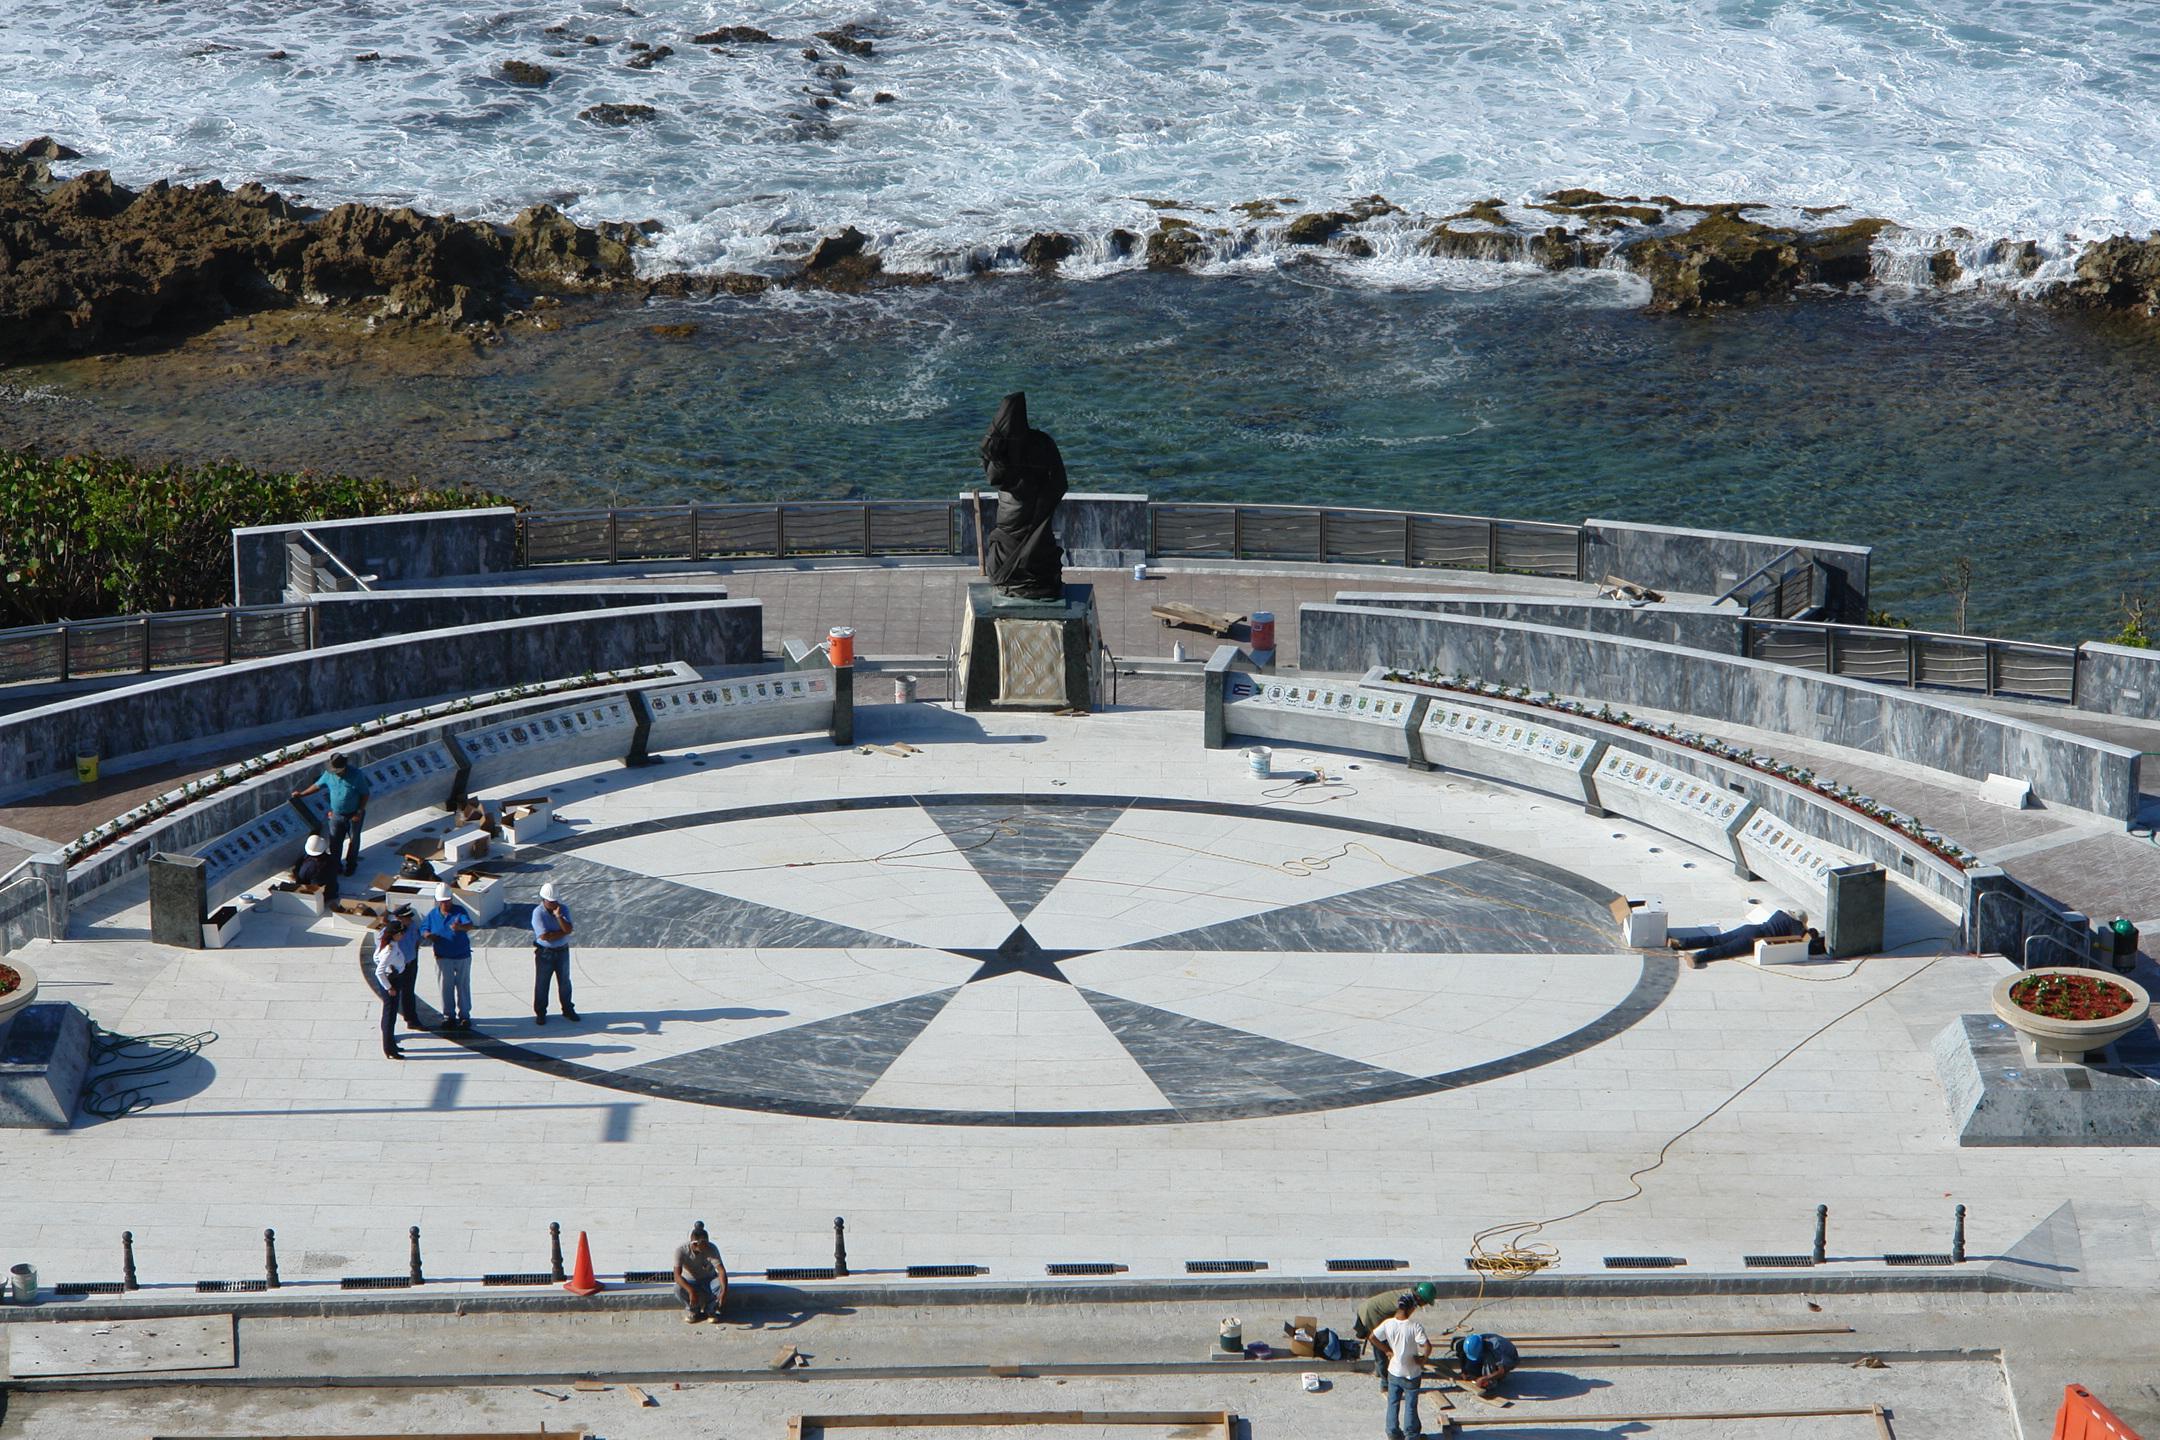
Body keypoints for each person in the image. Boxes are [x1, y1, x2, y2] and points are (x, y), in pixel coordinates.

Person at [292, 752, 371, 878]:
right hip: (336, 815)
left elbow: (365, 794)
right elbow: (318, 785)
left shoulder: (356, 775)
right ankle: (336, 866)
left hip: (354, 815)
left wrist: (359, 811)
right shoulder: (329, 774)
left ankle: (351, 865)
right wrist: (302, 794)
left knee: (354, 841)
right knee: (335, 842)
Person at [1368, 1293, 1432, 1440]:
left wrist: (1387, 1351)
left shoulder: (1388, 1323)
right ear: (1411, 1309)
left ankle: (1393, 1433)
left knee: (1393, 1402)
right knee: (1410, 1405)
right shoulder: (1415, 1327)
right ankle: (1412, 1435)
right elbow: (1427, 1346)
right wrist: (1423, 1359)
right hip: (1411, 1373)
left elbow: (1372, 1337)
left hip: (1394, 1371)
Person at [1673, 905, 1819, 967]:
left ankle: (1681, 942)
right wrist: (1812, 932)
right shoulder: (1796, 925)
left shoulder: (1779, 914)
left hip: (1749, 929)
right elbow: (1807, 942)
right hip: (1755, 938)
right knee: (1724, 950)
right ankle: (1697, 957)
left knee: (1715, 939)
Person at [1354, 1282, 1436, 1389]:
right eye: (1426, 1302)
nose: (1425, 1305)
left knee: (1386, 1344)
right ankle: (1385, 1382)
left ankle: (1381, 1371)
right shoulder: (1408, 1301)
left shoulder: (1410, 1298)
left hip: (1371, 1309)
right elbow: (1400, 1323)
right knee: (1382, 1347)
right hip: (1371, 1313)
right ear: (1421, 1298)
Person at [417, 883, 475, 1029]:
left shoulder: (459, 911)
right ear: (438, 901)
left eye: (448, 900)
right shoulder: (432, 914)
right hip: (443, 957)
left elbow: (469, 925)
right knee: (445, 986)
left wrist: (459, 927)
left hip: (461, 955)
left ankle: (465, 1015)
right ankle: (448, 1015)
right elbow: (423, 928)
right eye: (443, 901)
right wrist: (428, 935)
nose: (446, 903)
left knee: (462, 985)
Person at [371, 906, 421, 1058]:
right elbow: (378, 970)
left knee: (391, 1014)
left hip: (396, 976)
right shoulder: (390, 949)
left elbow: (375, 957)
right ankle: (389, 1048)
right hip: (391, 981)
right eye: (401, 933)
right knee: (389, 1014)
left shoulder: (392, 945)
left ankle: (391, 1044)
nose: (403, 935)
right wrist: (389, 986)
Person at [531, 881, 578, 1025]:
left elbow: (569, 929)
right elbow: (545, 936)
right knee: (542, 983)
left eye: (555, 901)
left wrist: (559, 918)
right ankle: (540, 1012)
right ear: (544, 900)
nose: (554, 903)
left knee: (565, 982)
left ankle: (567, 1009)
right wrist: (562, 932)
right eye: (551, 901)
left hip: (562, 951)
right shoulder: (538, 913)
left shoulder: (562, 909)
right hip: (545, 953)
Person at [673, 1220, 728, 1323]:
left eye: (706, 1243)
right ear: (694, 1244)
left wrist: (724, 1291)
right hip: (691, 1281)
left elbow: (721, 1271)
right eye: (703, 1244)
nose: (706, 1246)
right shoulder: (681, 1251)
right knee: (677, 1288)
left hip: (709, 1279)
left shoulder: (711, 1248)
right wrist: (691, 1290)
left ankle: (710, 1310)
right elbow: (677, 1276)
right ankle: (693, 1310)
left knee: (720, 1284)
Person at [1448, 1332, 1520, 1396]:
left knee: (1488, 1358)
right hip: (1485, 1351)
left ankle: (1490, 1387)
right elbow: (1462, 1355)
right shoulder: (1466, 1344)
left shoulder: (1495, 1348)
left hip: (1510, 1358)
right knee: (1471, 1368)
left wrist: (1485, 1378)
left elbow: (1501, 1371)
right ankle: (1483, 1374)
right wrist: (1463, 1371)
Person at [291, 833, 341, 907]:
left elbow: (300, 879)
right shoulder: (332, 859)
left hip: (317, 894)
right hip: (332, 891)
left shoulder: (309, 866)